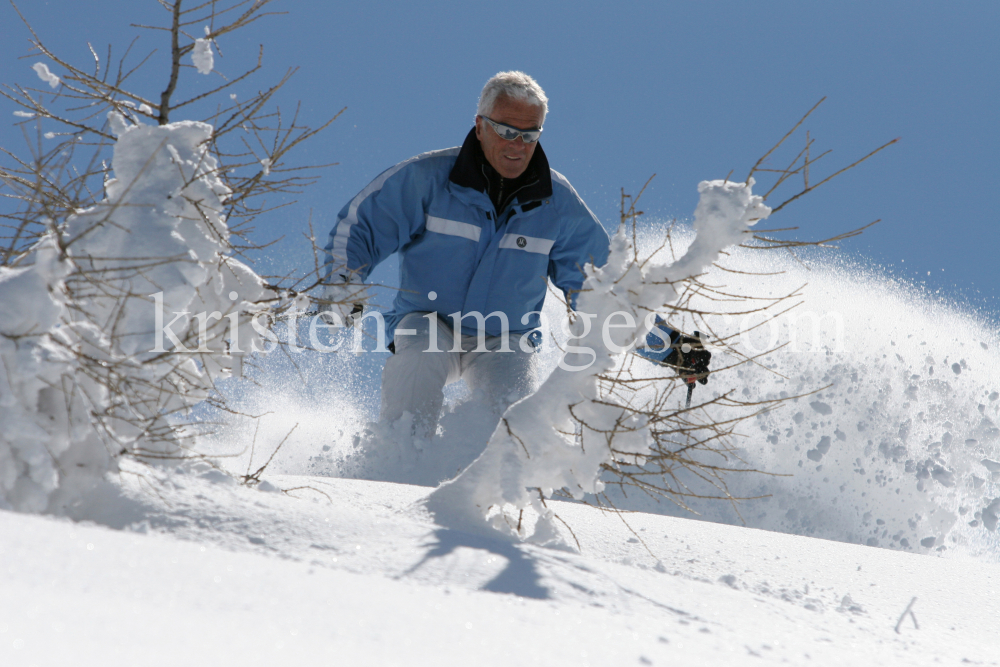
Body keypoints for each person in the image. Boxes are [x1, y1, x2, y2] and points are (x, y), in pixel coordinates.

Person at [321, 71, 611, 439]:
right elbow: (360, 226)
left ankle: (492, 486)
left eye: (530, 134)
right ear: (480, 126)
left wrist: (669, 346)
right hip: (429, 321)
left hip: (505, 338)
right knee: (420, 359)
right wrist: (342, 285)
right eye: (506, 130)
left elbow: (606, 286)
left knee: (514, 420)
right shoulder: (428, 179)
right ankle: (397, 463)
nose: (518, 144)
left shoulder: (557, 204)